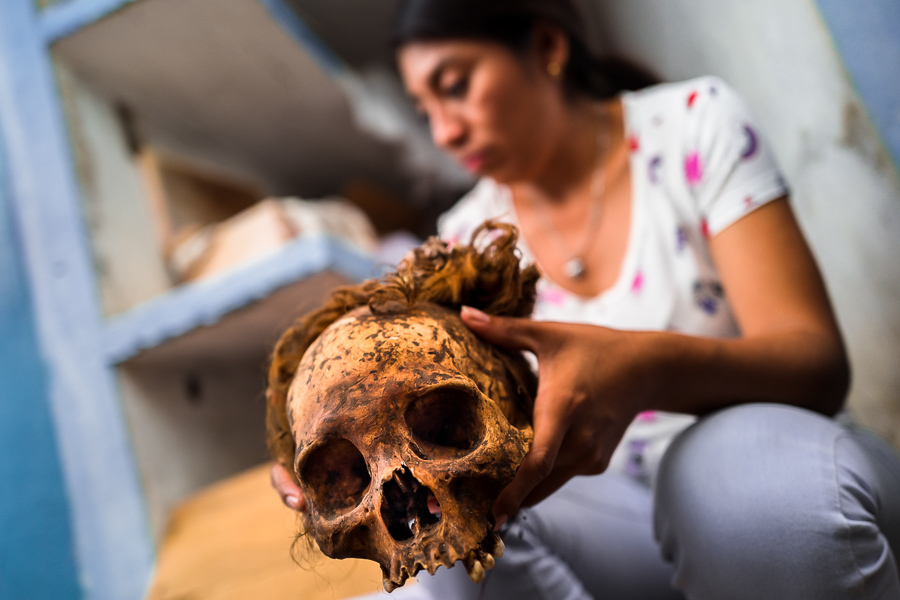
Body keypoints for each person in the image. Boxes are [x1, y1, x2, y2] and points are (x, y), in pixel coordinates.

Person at [271, 0, 900, 597]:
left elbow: (818, 366)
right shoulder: (464, 244)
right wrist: (340, 458)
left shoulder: (693, 125)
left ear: (546, 45)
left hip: (767, 461)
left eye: (455, 85)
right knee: (457, 532)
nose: (444, 132)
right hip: (617, 517)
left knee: (739, 492)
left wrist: (646, 372)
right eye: (424, 107)